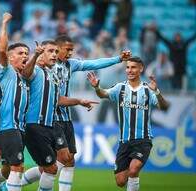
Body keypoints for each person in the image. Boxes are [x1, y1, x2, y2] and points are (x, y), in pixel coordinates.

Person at [21, 35, 131, 191]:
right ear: (58, 49)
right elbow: (29, 76)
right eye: (67, 49)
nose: (71, 53)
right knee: (59, 161)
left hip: (66, 117)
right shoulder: (43, 68)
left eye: (72, 50)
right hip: (53, 118)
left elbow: (93, 63)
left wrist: (118, 59)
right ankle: (15, 183)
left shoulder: (70, 65)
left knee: (68, 160)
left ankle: (15, 183)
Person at [87, 56, 169, 191]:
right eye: (127, 67)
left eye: (133, 67)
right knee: (120, 181)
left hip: (143, 140)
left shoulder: (148, 90)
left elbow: (164, 107)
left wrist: (157, 92)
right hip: (124, 142)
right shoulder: (120, 88)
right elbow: (103, 94)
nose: (129, 70)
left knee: (133, 169)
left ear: (141, 69)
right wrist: (97, 88)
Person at [24, 40, 96, 191]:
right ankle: (6, 184)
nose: (54, 55)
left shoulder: (53, 75)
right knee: (48, 168)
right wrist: (35, 54)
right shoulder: (35, 70)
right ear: (41, 53)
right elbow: (26, 73)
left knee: (58, 164)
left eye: (56, 52)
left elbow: (58, 99)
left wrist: (79, 101)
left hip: (50, 125)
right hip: (35, 125)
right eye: (50, 51)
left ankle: (6, 184)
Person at [0, 12, 44, 191]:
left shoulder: (26, 77)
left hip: (19, 127)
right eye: (20, 53)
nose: (25, 55)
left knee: (7, 169)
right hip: (8, 126)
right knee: (17, 169)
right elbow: (2, 49)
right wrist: (4, 23)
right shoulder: (7, 71)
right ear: (11, 58)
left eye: (27, 52)